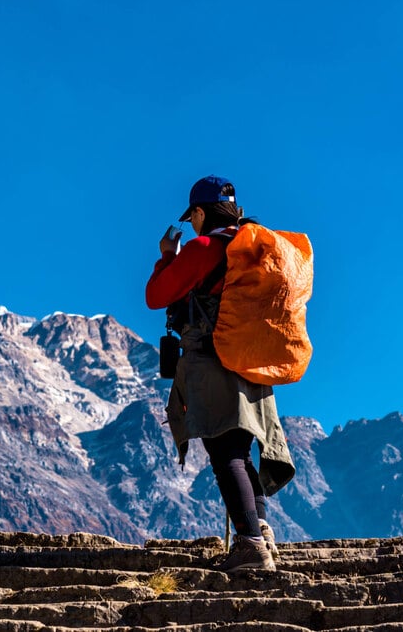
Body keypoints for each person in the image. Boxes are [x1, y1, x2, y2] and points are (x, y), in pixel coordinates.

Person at [146, 175, 296, 572]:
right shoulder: (253, 249)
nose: (191, 222)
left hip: (214, 361)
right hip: (253, 362)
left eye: (192, 215)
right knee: (240, 448)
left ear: (200, 212)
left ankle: (249, 546)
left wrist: (167, 256)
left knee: (222, 449)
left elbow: (156, 295)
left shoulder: (202, 248)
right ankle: (260, 532)